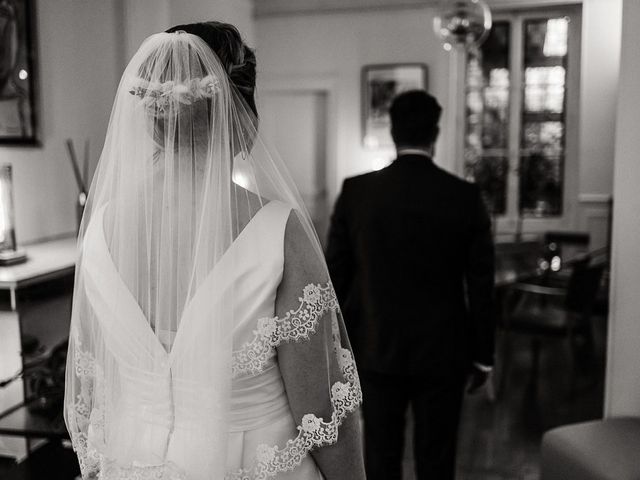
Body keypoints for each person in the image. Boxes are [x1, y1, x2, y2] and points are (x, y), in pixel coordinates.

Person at [64, 22, 365, 480]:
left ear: (151, 117)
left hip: (133, 461)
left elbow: (94, 387)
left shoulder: (100, 231)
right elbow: (321, 412)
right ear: (243, 116)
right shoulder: (278, 233)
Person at [326, 90, 495, 480]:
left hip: (375, 346)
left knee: (380, 455)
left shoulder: (357, 192)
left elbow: (335, 276)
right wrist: (483, 355)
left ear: (393, 131)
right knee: (437, 458)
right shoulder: (464, 197)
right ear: (435, 134)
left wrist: (336, 345)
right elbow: (481, 284)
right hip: (444, 351)